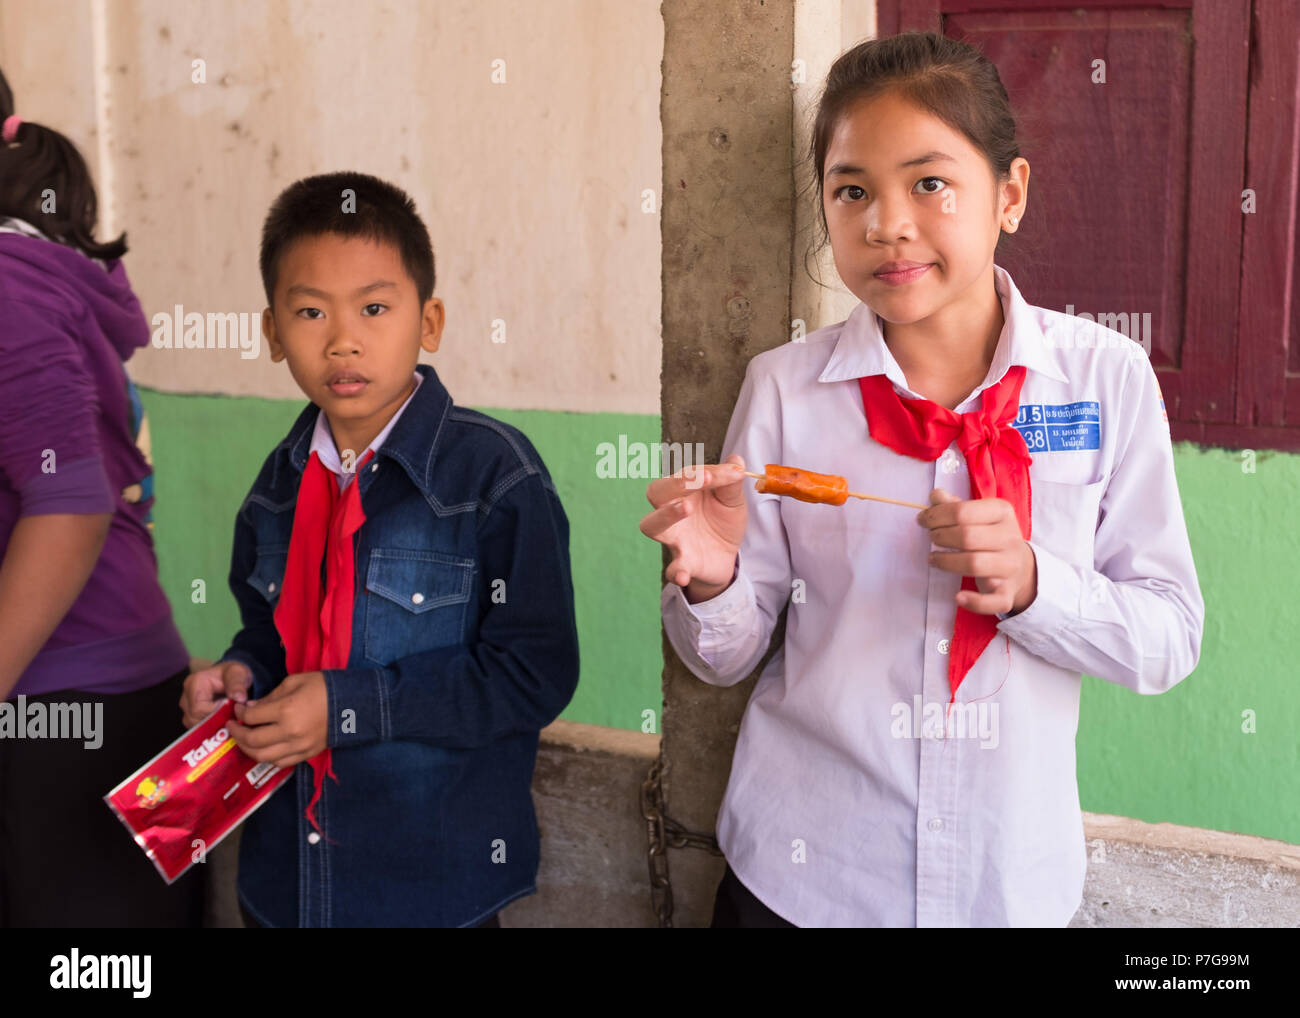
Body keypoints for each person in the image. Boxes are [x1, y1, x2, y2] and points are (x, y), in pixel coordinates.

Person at [641, 32, 1203, 927]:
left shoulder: (1105, 379)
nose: (886, 223)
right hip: (804, 879)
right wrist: (711, 582)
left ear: (1008, 194)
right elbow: (726, 657)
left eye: (930, 183)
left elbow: (1169, 637)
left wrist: (1032, 587)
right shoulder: (786, 390)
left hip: (1003, 885)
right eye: (851, 189)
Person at [180, 171, 579, 928]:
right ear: (271, 333)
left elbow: (534, 674)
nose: (343, 339)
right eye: (308, 311)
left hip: (428, 891)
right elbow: (269, 631)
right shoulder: (277, 485)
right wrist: (240, 673)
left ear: (428, 321)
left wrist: (350, 707)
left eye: (373, 307)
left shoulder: (494, 475)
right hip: (286, 885)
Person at [0, 68, 202, 926]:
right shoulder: (46, 280)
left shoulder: (6, 286)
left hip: (66, 707)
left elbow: (72, 501)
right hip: (109, 688)